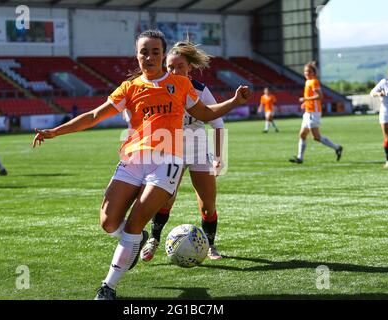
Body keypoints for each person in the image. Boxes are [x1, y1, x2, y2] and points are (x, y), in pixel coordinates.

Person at [32, 29, 251, 300]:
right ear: (137, 56)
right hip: (133, 160)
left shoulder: (181, 85)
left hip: (167, 162)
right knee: (108, 223)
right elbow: (93, 116)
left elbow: (206, 114)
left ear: (162, 55)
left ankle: (108, 287)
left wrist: (234, 101)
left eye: (155, 52)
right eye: (143, 52)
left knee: (135, 222)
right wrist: (56, 131)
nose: (149, 57)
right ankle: (134, 241)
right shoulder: (130, 87)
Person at [140, 40, 225, 263]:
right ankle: (154, 239)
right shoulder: (159, 88)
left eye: (179, 66)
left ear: (189, 68)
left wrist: (218, 158)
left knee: (208, 205)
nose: (174, 71)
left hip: (198, 151)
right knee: (166, 199)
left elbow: (218, 124)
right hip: (170, 152)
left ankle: (210, 245)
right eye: (170, 67)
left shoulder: (200, 90)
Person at [289, 61, 343, 164]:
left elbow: (320, 96)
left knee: (316, 137)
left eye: (309, 71)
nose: (306, 73)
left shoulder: (314, 81)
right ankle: (300, 158)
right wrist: (306, 103)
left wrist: (305, 99)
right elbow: (311, 97)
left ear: (313, 73)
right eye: (305, 71)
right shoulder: (307, 81)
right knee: (302, 135)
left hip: (314, 112)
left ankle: (337, 148)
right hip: (308, 112)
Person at [370, 62, 388, 168]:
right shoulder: (384, 82)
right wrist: (379, 93)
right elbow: (372, 93)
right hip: (386, 112)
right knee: (387, 138)